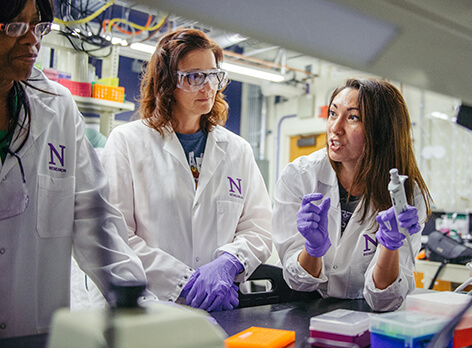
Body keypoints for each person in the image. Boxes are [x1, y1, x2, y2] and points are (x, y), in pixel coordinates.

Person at [0, 0, 154, 339]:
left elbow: (95, 222)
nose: (31, 40)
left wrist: (141, 307)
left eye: (38, 27)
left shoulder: (57, 108)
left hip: (39, 332)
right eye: (14, 27)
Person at [100, 27, 272, 312]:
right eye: (194, 77)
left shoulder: (237, 150)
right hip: (153, 306)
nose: (208, 87)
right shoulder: (128, 142)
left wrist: (229, 263)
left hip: (219, 304)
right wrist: (185, 282)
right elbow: (117, 235)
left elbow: (259, 228)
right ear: (167, 83)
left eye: (214, 76)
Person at [272, 78, 432, 311]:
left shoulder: (405, 194)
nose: (335, 128)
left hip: (367, 314)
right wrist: (312, 249)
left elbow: (385, 299)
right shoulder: (299, 175)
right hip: (305, 308)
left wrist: (390, 247)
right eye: (333, 113)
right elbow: (297, 281)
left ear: (382, 130)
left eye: (353, 117)